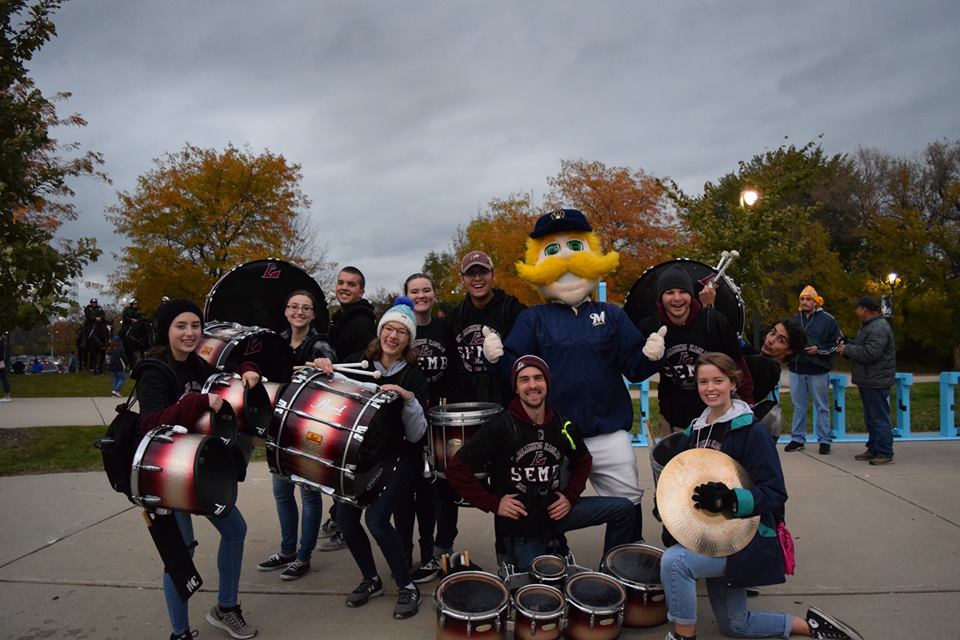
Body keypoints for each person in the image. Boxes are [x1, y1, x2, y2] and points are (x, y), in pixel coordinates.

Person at [483, 209, 665, 543]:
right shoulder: (533, 319)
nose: (566, 259)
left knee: (627, 504)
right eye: (552, 251)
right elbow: (517, 373)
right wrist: (497, 358)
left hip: (607, 430)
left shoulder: (610, 316)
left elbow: (634, 367)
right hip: (554, 437)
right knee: (549, 506)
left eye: (575, 247)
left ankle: (622, 569)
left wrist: (650, 356)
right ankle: (551, 568)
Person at [660, 352, 862, 640]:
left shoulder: (751, 430)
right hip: (707, 534)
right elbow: (683, 483)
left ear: (733, 382)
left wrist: (729, 499)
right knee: (736, 625)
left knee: (675, 562)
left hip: (744, 538)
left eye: (718, 380)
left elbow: (775, 493)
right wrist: (669, 507)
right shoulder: (695, 430)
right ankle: (813, 627)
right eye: (703, 381)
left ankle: (683, 636)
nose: (710, 388)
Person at [136, 299, 261, 640]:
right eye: (181, 326)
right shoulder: (154, 370)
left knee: (235, 530)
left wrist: (248, 368)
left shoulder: (197, 365)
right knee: (182, 551)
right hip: (166, 475)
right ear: (167, 330)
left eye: (195, 326)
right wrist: (195, 402)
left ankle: (226, 608)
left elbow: (233, 366)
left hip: (200, 469)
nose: (190, 333)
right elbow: (148, 423)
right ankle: (180, 633)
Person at [446, 355, 635, 571]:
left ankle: (610, 571)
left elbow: (583, 461)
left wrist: (570, 496)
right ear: (516, 388)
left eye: (538, 378)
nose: (532, 385)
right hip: (523, 527)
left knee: (625, 509)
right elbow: (456, 469)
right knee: (542, 593)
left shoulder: (561, 423)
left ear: (547, 384)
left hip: (556, 514)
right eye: (524, 380)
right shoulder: (500, 427)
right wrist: (494, 503)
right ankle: (514, 558)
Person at [312, 300, 428, 619]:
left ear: (408, 340)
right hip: (359, 457)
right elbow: (331, 398)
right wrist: (325, 369)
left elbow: (418, 435)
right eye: (389, 329)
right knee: (347, 520)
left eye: (402, 332)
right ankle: (371, 579)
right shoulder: (356, 364)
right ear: (380, 332)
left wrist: (408, 399)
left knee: (376, 520)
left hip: (401, 458)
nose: (393, 336)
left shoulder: (414, 377)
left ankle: (407, 587)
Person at [437, 250, 526, 559]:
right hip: (467, 411)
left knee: (506, 481)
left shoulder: (511, 309)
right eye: (471, 273)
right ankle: (442, 547)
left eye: (482, 272)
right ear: (462, 279)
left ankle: (509, 553)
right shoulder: (456, 315)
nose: (477, 278)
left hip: (504, 407)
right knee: (451, 477)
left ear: (492, 275)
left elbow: (525, 356)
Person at [257, 290, 336, 580]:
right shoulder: (275, 342)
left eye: (306, 308)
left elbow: (330, 377)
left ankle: (303, 556)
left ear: (313, 314)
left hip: (305, 429)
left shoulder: (320, 345)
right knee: (281, 491)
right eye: (294, 307)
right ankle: (287, 550)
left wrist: (323, 367)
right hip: (279, 426)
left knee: (308, 494)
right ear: (286, 311)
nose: (299, 312)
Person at [634, 265, 754, 438]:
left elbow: (738, 366)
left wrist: (748, 405)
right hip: (672, 416)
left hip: (717, 415)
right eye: (669, 292)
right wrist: (647, 357)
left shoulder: (714, 322)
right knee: (674, 464)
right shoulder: (650, 326)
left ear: (691, 294)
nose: (677, 298)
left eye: (682, 291)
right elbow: (636, 370)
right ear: (661, 297)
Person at [319, 266, 378, 551]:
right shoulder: (340, 318)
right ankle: (337, 517)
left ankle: (345, 524)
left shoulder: (361, 322)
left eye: (351, 284)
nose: (344, 287)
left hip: (351, 401)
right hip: (338, 396)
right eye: (341, 282)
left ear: (361, 291)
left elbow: (363, 362)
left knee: (345, 465)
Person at [398, 275, 449, 583]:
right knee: (404, 491)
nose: (421, 295)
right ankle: (402, 552)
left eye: (426, 289)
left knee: (433, 491)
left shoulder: (444, 327)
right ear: (406, 295)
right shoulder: (399, 330)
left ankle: (430, 551)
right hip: (405, 423)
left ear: (434, 293)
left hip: (438, 420)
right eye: (414, 291)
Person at [837, 295, 896, 465]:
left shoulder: (878, 328)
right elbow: (864, 347)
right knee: (871, 417)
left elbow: (871, 353)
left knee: (878, 417)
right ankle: (874, 448)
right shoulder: (869, 326)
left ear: (866, 310)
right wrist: (849, 344)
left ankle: (885, 452)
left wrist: (848, 349)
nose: (856, 311)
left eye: (858, 308)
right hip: (869, 379)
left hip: (876, 380)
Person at [785, 285, 842, 455]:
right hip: (797, 368)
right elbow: (786, 342)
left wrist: (819, 350)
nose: (805, 302)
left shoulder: (828, 320)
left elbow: (837, 344)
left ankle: (824, 440)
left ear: (816, 301)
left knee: (822, 406)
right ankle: (797, 439)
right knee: (798, 406)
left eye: (808, 299)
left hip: (819, 369)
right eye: (802, 299)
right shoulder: (794, 320)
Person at [745, 319, 807, 402]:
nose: (771, 340)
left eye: (781, 340)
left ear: (790, 350)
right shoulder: (757, 357)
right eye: (772, 333)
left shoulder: (768, 367)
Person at [0, 333, 10, 401]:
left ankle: (7, 397)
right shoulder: (3, 343)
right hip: (2, 362)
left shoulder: (0, 344)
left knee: (4, 379)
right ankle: (7, 396)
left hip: (0, 362)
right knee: (4, 379)